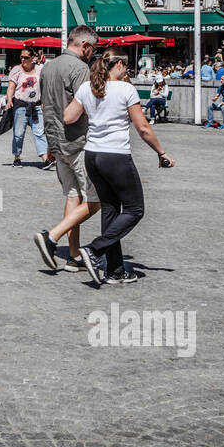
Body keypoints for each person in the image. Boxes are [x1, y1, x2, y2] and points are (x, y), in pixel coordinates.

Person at [62, 51, 173, 285]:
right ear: (120, 64)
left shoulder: (87, 87)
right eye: (127, 67)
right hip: (116, 155)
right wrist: (161, 152)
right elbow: (142, 127)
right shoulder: (126, 90)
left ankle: (115, 271)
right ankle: (94, 250)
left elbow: (69, 117)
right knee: (135, 209)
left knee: (110, 210)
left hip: (92, 155)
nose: (128, 71)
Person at [35, 25, 101, 273]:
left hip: (56, 141)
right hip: (79, 140)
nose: (92, 55)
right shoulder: (80, 68)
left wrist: (50, 143)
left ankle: (73, 256)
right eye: (92, 49)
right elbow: (87, 104)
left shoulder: (48, 66)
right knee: (97, 199)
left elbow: (45, 106)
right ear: (84, 45)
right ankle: (52, 237)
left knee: (73, 196)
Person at [7, 50, 49, 168]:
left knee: (39, 132)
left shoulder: (40, 69)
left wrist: (45, 101)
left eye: (26, 57)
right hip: (21, 105)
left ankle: (45, 159)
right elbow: (11, 87)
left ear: (32, 58)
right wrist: (9, 100)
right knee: (18, 134)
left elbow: (44, 86)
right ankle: (17, 157)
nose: (23, 60)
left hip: (36, 105)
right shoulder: (17, 70)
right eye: (21, 57)